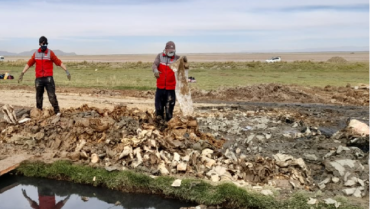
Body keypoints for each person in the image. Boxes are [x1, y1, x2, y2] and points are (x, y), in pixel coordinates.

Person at [18, 36, 71, 116]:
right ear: (40, 44)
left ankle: (57, 111)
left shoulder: (50, 53)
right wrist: (22, 73)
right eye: (43, 43)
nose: (44, 45)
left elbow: (58, 62)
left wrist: (66, 71)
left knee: (52, 96)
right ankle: (39, 112)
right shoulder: (36, 53)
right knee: (38, 97)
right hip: (39, 79)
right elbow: (29, 63)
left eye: (46, 43)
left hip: (48, 78)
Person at [152, 41, 181, 121]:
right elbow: (154, 64)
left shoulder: (177, 58)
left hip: (170, 89)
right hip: (160, 88)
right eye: (170, 51)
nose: (171, 53)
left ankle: (168, 128)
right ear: (165, 49)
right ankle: (159, 128)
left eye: (173, 51)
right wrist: (155, 70)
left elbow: (184, 68)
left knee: (169, 112)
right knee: (159, 110)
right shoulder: (160, 56)